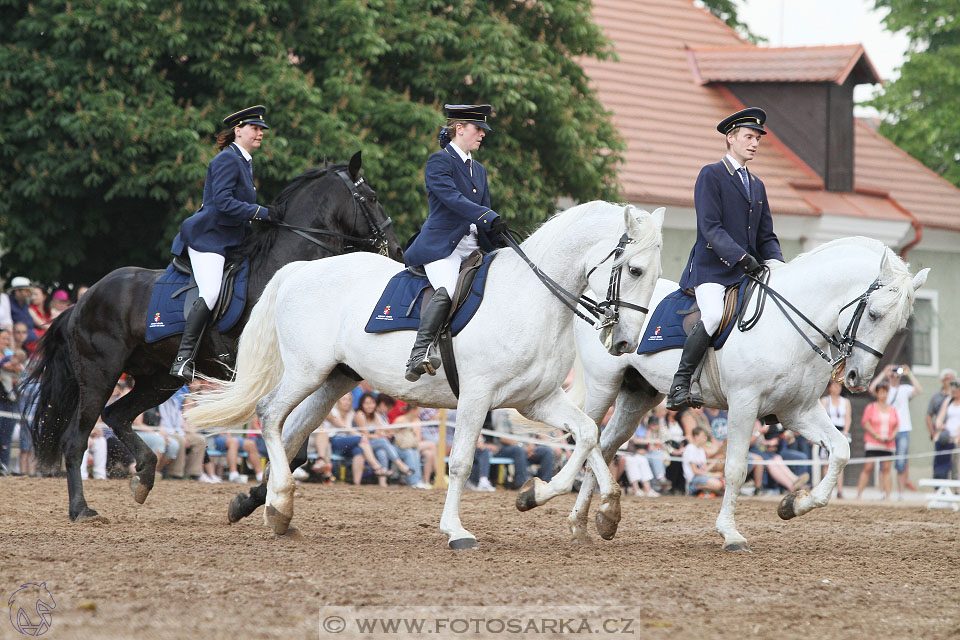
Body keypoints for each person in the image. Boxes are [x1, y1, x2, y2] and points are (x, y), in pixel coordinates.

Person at [667, 108, 784, 410]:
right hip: (712, 271)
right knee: (714, 316)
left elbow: (766, 236)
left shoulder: (757, 185)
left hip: (748, 272)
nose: (754, 143)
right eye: (749, 137)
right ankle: (680, 382)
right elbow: (710, 227)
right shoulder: (712, 174)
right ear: (731, 138)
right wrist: (743, 259)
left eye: (757, 138)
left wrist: (781, 269)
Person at [402, 103, 507, 382]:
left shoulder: (479, 170)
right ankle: (419, 351)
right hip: (443, 247)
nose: (483, 134)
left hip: (473, 247)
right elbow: (452, 199)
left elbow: (482, 213)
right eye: (478, 129)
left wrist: (498, 233)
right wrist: (487, 215)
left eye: (483, 130)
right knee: (447, 291)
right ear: (459, 129)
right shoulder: (440, 161)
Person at [168, 105, 273, 381]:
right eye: (255, 128)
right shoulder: (227, 160)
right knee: (211, 292)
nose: (259, 133)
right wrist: (260, 212)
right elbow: (224, 203)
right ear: (238, 130)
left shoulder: (244, 161)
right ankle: (183, 357)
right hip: (209, 237)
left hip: (232, 239)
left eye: (261, 129)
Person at [869, 364, 921, 497]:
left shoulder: (905, 389)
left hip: (903, 429)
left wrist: (908, 373)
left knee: (901, 463)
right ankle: (882, 492)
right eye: (892, 374)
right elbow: (872, 389)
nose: (894, 376)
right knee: (884, 463)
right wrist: (883, 373)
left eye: (897, 374)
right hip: (886, 430)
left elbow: (919, 390)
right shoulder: (885, 389)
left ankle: (901, 493)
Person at [856, 381, 898, 500]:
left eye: (885, 392)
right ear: (877, 393)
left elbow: (896, 425)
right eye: (881, 392)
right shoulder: (871, 407)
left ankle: (888, 496)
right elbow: (866, 422)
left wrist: (891, 436)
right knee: (868, 468)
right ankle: (859, 494)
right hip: (873, 443)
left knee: (886, 469)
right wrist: (876, 436)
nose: (883, 395)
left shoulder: (892, 409)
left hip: (888, 444)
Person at [820, 380, 852, 496]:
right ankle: (826, 490)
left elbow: (848, 418)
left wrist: (845, 432)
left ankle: (840, 489)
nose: (837, 388)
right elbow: (823, 418)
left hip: (841, 432)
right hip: (829, 433)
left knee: (839, 462)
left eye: (839, 386)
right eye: (834, 386)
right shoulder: (825, 401)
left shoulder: (845, 402)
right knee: (827, 463)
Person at [682, 426, 724, 495]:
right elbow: (695, 471)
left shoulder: (701, 450)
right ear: (696, 436)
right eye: (703, 436)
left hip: (701, 476)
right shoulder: (690, 448)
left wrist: (715, 461)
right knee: (718, 485)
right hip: (694, 478)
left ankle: (702, 490)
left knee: (723, 483)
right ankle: (694, 488)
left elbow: (705, 469)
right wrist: (712, 475)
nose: (705, 438)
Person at [934, 380, 960, 482]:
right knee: (943, 461)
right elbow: (940, 417)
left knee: (956, 463)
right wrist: (939, 426)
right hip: (947, 436)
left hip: (957, 437)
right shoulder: (949, 401)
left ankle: (957, 488)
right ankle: (941, 484)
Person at [7, 278, 38, 351]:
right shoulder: (8, 304)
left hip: (32, 344)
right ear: (17, 292)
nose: (29, 293)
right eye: (26, 290)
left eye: (29, 291)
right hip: (16, 346)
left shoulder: (26, 306)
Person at [926, 368, 956, 440]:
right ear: (942, 380)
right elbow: (929, 416)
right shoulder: (936, 397)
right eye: (947, 379)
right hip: (940, 434)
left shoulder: (957, 396)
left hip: (955, 434)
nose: (950, 381)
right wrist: (932, 432)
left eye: (952, 379)